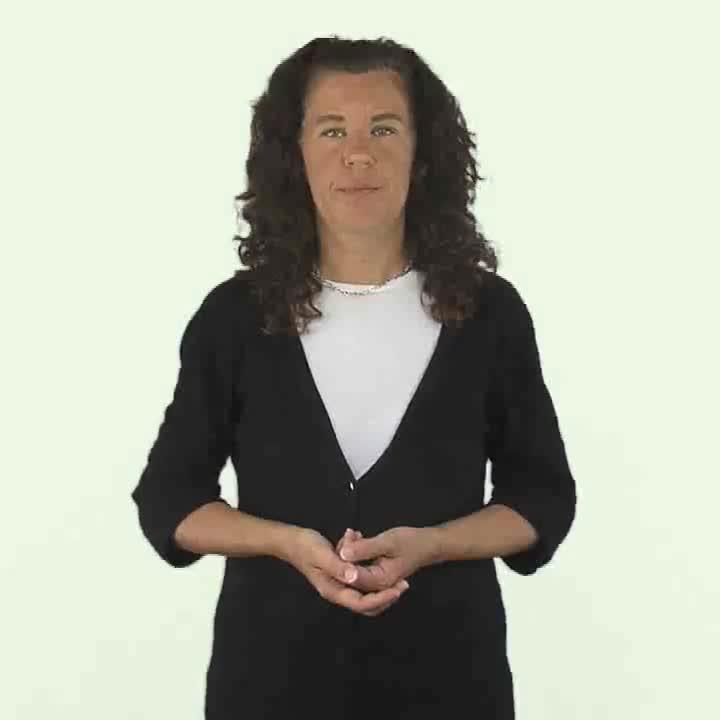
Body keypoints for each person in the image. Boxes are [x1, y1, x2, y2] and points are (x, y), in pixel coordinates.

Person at [130, 36, 577, 719]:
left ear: (423, 155)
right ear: (295, 153)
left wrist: (436, 545)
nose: (359, 154)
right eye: (333, 130)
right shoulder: (235, 318)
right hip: (269, 687)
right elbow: (169, 498)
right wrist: (284, 542)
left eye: (384, 129)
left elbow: (542, 498)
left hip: (452, 685)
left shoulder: (491, 314)